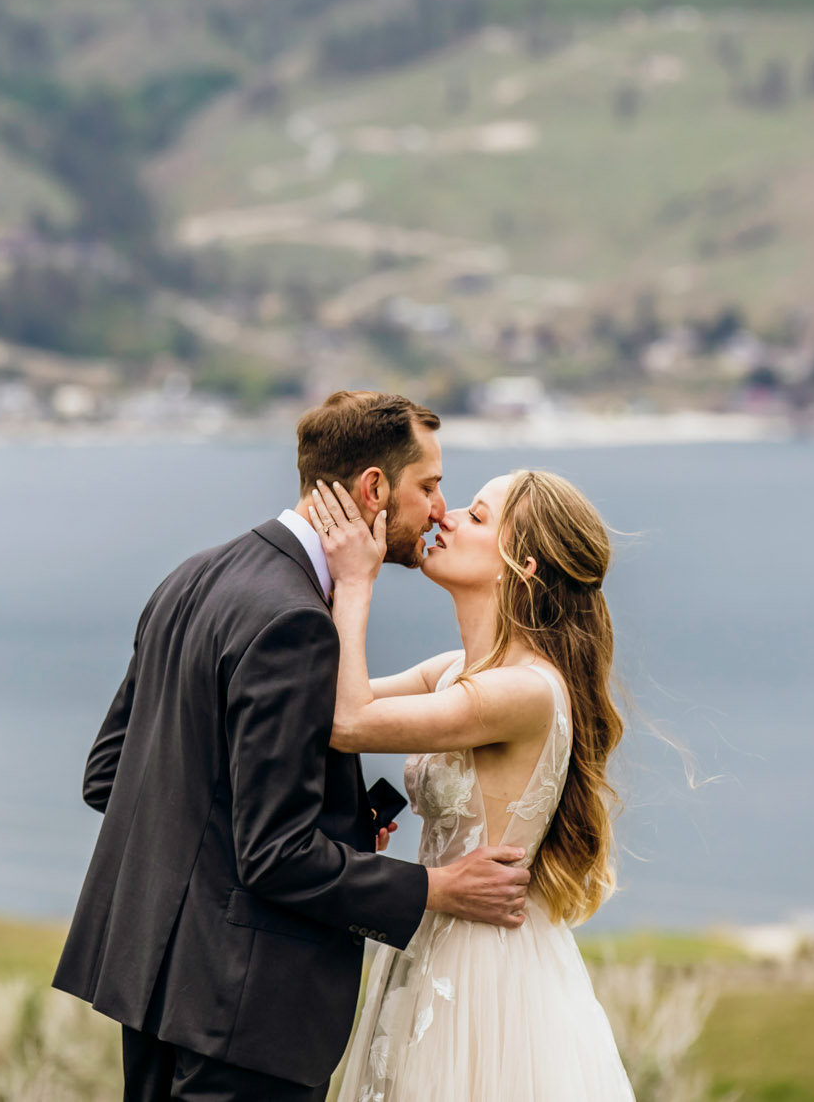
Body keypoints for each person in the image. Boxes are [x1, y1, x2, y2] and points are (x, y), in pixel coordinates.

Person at [54, 391, 536, 1102]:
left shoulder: (193, 576)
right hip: (245, 1012)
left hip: (153, 991)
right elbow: (274, 854)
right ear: (374, 486)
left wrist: (335, 818)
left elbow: (111, 777)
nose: (439, 507)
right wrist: (437, 887)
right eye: (428, 486)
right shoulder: (296, 623)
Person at [313, 469, 638, 1101]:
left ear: (520, 566)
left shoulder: (523, 690)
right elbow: (320, 709)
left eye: (478, 516)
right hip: (429, 930)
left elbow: (349, 722)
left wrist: (356, 583)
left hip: (482, 967)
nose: (446, 516)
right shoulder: (455, 670)